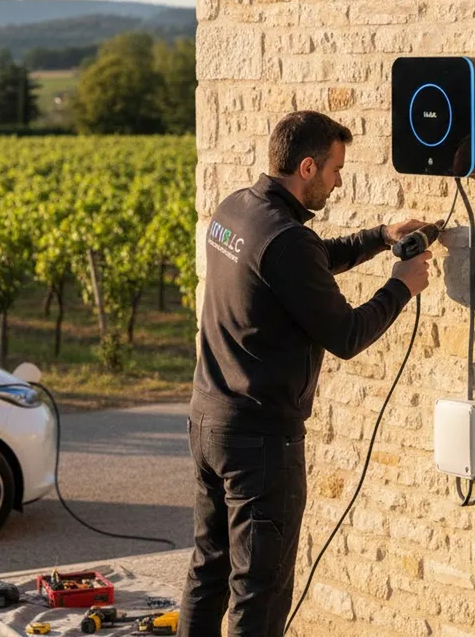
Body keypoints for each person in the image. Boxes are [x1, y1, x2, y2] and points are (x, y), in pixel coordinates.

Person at [178, 110, 437, 637]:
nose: (340, 182)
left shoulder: (238, 210)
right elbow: (344, 335)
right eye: (336, 170)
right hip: (260, 442)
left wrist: (380, 236)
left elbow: (307, 262)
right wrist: (402, 286)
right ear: (307, 166)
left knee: (209, 571)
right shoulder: (286, 240)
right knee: (261, 592)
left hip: (208, 421)